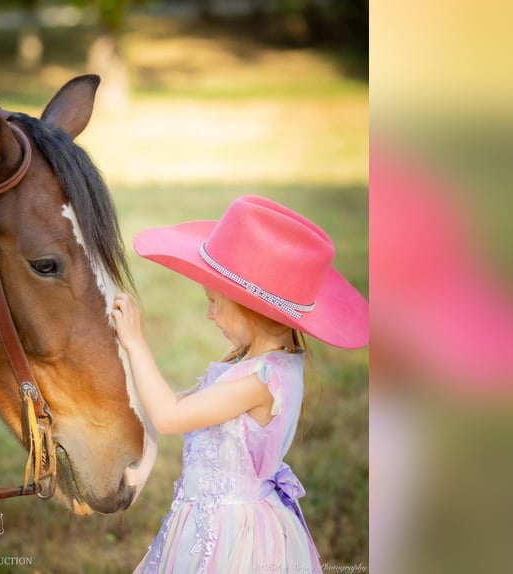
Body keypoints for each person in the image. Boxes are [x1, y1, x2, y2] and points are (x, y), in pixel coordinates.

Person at [111, 195, 368, 574]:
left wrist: (136, 342)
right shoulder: (252, 364)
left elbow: (169, 416)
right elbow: (177, 403)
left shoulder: (260, 381)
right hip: (206, 521)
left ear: (254, 308)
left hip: (231, 538)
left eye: (215, 301)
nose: (209, 313)